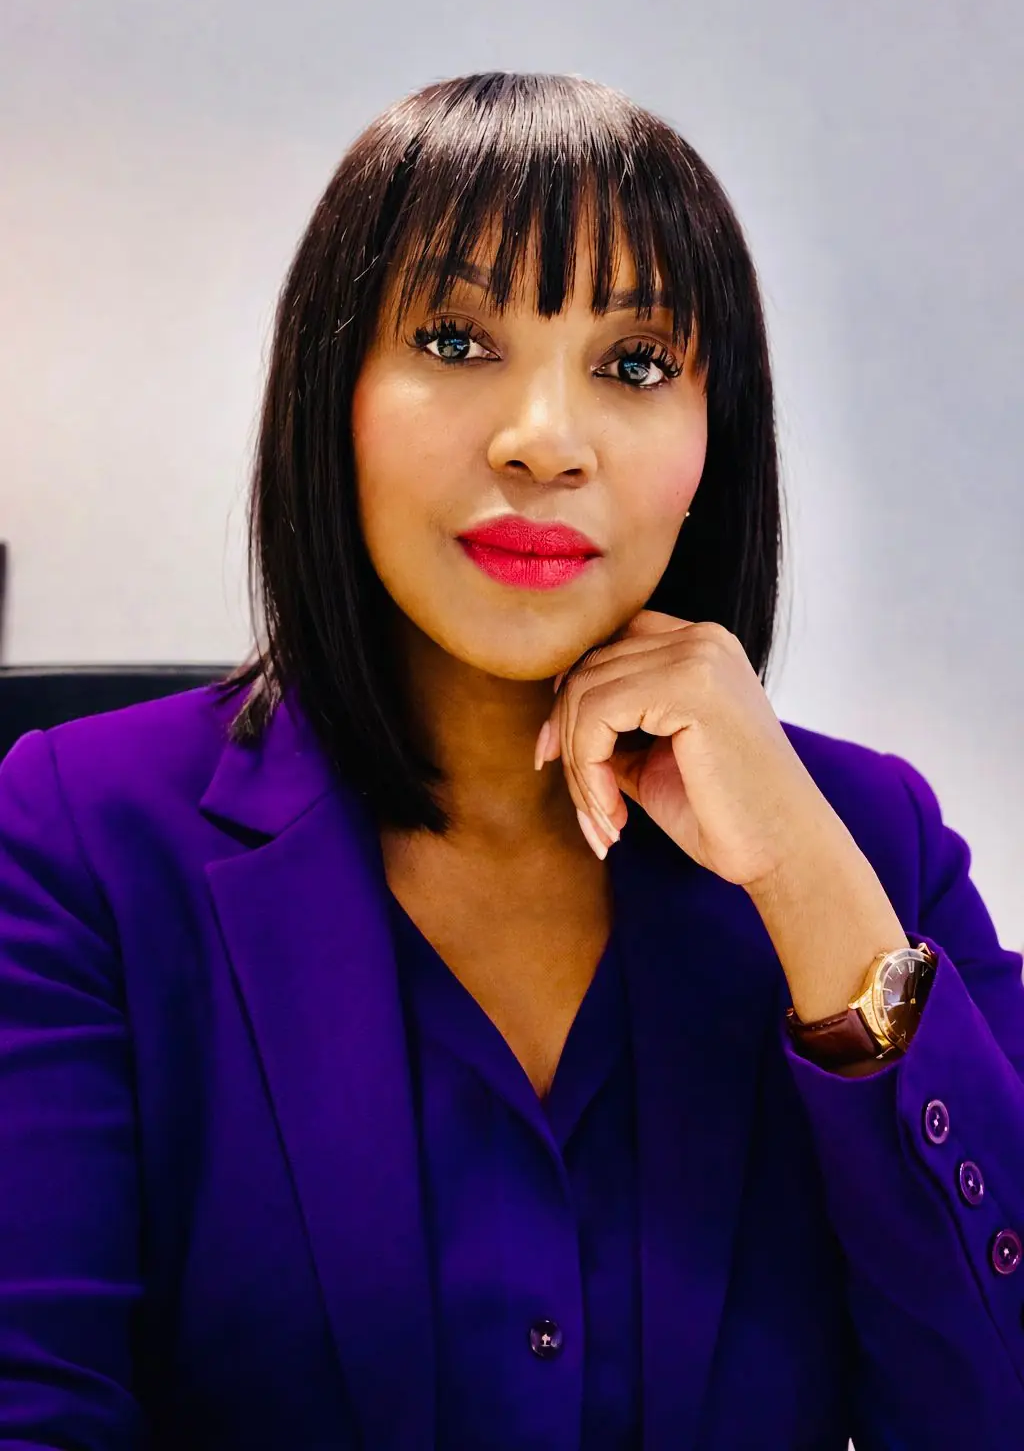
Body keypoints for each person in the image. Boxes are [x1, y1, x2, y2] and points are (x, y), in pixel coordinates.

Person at [0, 70, 1021, 1451]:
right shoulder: (77, 837)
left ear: (715, 442)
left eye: (637, 364)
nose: (544, 441)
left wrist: (808, 886)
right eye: (454, 338)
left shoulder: (868, 842)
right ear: (333, 395)